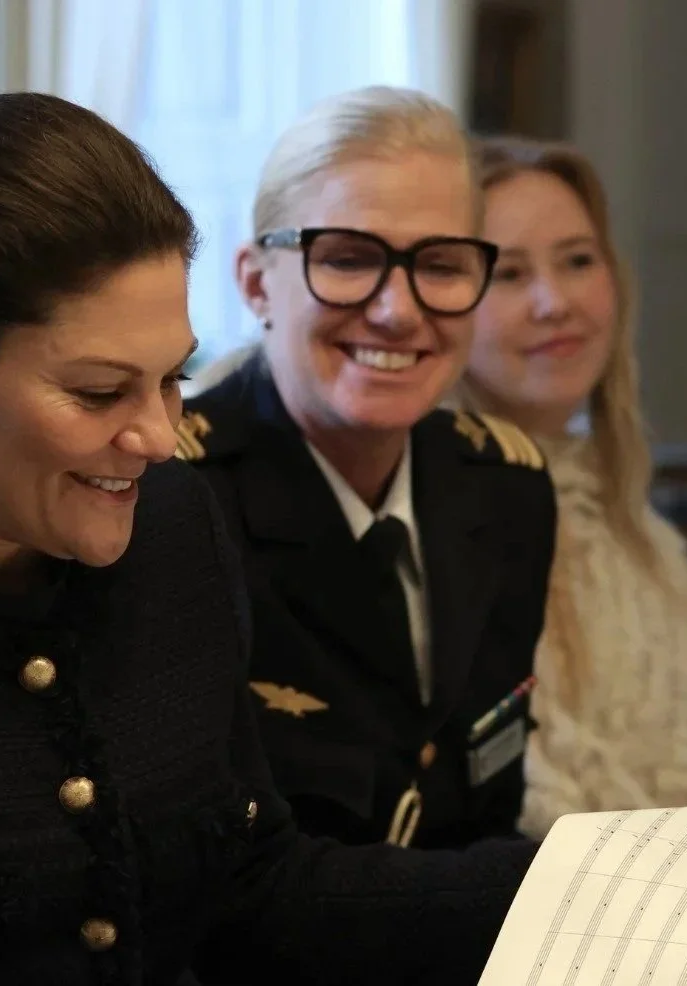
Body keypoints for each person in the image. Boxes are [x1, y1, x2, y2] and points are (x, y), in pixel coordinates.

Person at [0, 91, 534, 986]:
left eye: (174, 379)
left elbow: (254, 890)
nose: (160, 439)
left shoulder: (172, 525)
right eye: (97, 393)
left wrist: (581, 885)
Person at [179, 86, 556, 853]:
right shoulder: (180, 502)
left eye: (442, 265)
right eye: (348, 259)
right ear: (256, 283)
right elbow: (222, 884)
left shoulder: (505, 490)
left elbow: (484, 804)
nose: (397, 311)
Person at [458, 135, 687, 838]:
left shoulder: (630, 523)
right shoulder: (453, 531)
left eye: (578, 261)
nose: (556, 302)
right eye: (511, 274)